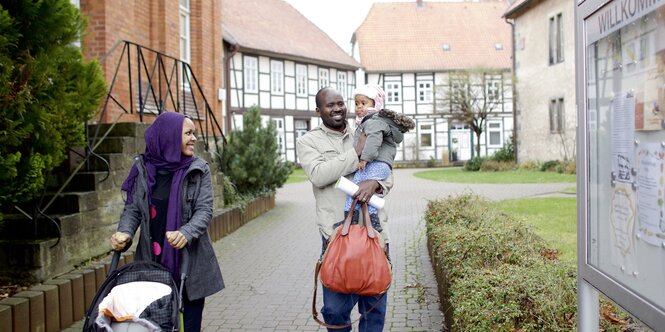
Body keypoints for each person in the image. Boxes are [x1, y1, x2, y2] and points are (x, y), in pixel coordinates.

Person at [110, 112, 224, 331]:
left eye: (194, 134)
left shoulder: (198, 170)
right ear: (169, 136)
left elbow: (204, 210)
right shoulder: (144, 170)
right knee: (154, 323)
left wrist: (186, 232)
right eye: (188, 133)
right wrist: (124, 232)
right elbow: (133, 209)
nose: (194, 139)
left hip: (189, 263)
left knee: (189, 325)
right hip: (152, 261)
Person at [297, 87, 393, 331]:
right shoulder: (308, 141)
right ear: (318, 110)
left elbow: (387, 169)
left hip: (374, 232)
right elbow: (319, 175)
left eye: (341, 103)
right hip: (337, 237)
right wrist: (356, 152)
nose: (337, 108)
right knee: (335, 310)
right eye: (330, 105)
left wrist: (377, 183)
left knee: (374, 307)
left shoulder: (365, 129)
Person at [346, 84, 415, 226]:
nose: (359, 107)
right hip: (383, 165)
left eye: (364, 103)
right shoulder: (375, 121)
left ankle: (350, 215)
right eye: (356, 103)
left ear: (375, 104)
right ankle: (373, 218)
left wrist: (364, 159)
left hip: (376, 162)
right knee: (369, 193)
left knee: (355, 187)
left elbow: (373, 140)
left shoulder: (373, 121)